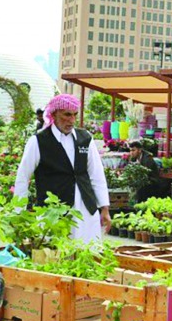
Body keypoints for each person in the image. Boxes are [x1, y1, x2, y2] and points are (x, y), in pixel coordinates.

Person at [14, 93, 111, 242]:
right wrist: (18, 213)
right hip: (53, 212)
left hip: (85, 209)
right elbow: (22, 178)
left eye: (74, 115)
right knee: (53, 256)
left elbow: (96, 174)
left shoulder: (85, 138)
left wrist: (104, 207)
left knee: (88, 252)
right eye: (66, 115)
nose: (71, 120)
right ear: (54, 114)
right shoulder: (38, 141)